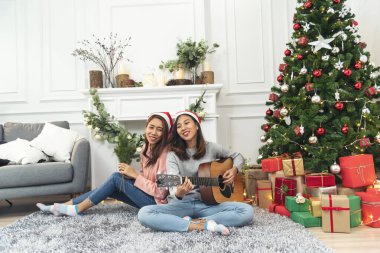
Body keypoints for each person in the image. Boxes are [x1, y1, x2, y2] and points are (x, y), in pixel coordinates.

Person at [138, 111, 253, 236]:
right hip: (180, 205)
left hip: (208, 204)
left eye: (187, 123)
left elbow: (237, 156)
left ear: (197, 125)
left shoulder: (212, 148)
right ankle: (203, 225)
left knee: (247, 211)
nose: (183, 128)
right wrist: (179, 193)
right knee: (144, 213)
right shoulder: (172, 155)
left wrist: (234, 169)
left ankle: (190, 222)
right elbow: (172, 184)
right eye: (179, 126)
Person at [36, 112, 173, 216]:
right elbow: (148, 177)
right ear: (146, 127)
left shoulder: (168, 155)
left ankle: (76, 209)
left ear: (165, 133)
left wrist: (136, 175)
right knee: (115, 183)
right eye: (151, 127)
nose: (154, 132)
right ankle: (62, 207)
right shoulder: (146, 148)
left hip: (159, 205)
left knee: (115, 178)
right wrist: (131, 176)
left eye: (159, 129)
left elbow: (161, 193)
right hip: (148, 197)